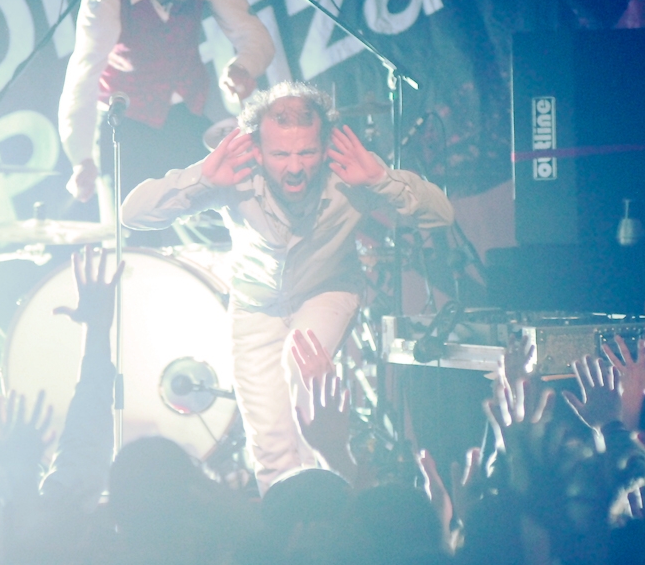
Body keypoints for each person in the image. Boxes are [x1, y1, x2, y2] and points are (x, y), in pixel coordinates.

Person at [122, 81, 456, 493]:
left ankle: (334, 505)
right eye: (281, 154)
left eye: (307, 153)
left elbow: (442, 215)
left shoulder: (350, 175)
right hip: (255, 305)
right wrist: (202, 178)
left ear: (326, 146)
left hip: (326, 291)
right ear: (257, 150)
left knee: (300, 368)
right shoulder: (234, 175)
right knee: (269, 444)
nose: (295, 167)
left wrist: (380, 179)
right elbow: (131, 215)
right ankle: (287, 524)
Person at [57, 0, 274, 214]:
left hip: (186, 112)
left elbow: (252, 33)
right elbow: (82, 78)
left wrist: (244, 67)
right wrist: (81, 158)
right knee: (134, 229)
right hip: (124, 123)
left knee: (210, 218)